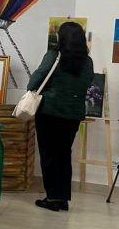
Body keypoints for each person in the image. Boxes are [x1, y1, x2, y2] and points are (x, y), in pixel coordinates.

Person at [28, 21, 93, 211]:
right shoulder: (87, 61)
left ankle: (52, 198)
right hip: (73, 115)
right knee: (64, 154)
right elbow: (87, 83)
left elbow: (35, 80)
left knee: (49, 154)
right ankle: (63, 198)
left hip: (50, 112)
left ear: (61, 38)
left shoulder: (54, 56)